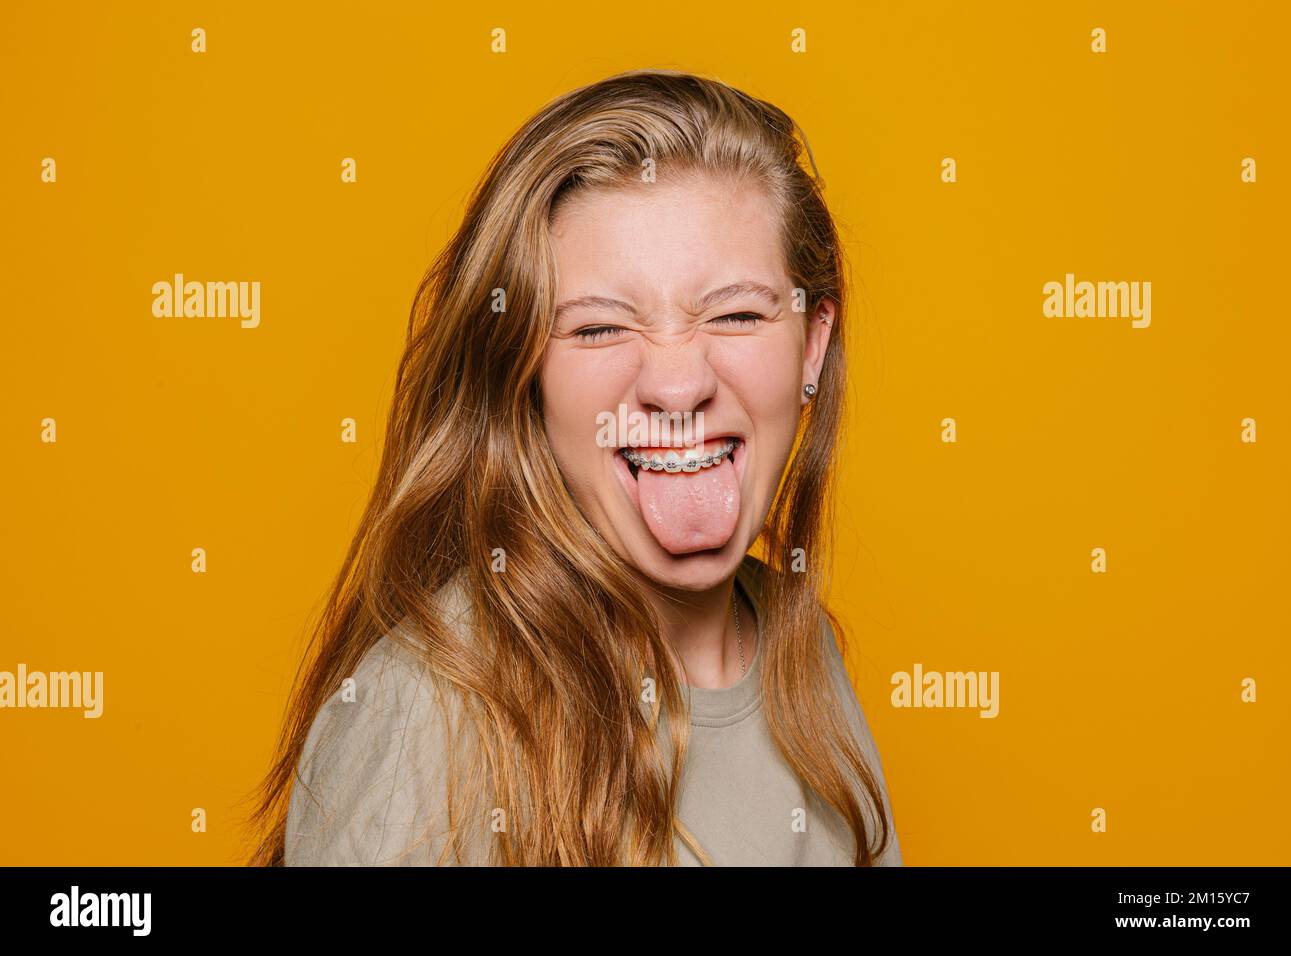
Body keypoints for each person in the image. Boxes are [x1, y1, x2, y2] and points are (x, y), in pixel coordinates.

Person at [247, 68, 903, 867]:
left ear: (810, 343)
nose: (676, 383)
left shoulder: (805, 660)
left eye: (735, 313)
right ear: (523, 373)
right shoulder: (432, 709)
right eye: (597, 329)